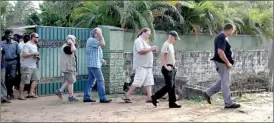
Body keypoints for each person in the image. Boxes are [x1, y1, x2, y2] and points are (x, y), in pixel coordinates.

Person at [203, 23, 241, 109]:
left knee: (223, 81)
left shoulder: (220, 36)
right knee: (225, 83)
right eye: (232, 31)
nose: (232, 33)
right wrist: (227, 62)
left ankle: (208, 93)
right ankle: (228, 103)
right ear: (229, 29)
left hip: (220, 63)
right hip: (222, 63)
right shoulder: (222, 37)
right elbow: (220, 52)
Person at [122, 28, 157, 103]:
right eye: (148, 34)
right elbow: (140, 51)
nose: (148, 36)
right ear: (143, 33)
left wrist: (151, 49)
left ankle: (149, 97)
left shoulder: (144, 42)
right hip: (141, 65)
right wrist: (151, 49)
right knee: (138, 81)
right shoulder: (138, 41)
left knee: (149, 82)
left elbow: (147, 51)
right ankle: (127, 95)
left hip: (147, 65)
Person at [151, 31, 181, 108]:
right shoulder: (166, 45)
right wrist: (165, 66)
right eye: (175, 38)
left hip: (172, 68)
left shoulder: (171, 45)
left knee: (172, 86)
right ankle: (155, 96)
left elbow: (171, 57)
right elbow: (162, 56)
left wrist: (174, 66)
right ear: (171, 37)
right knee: (169, 86)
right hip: (167, 68)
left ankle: (172, 103)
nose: (176, 40)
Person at [83, 28, 111, 103]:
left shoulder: (93, 41)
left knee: (90, 81)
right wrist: (102, 36)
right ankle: (102, 98)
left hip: (93, 64)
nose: (99, 35)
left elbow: (97, 54)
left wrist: (102, 60)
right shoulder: (92, 40)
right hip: (94, 65)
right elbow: (103, 44)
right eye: (99, 34)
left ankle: (86, 97)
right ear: (95, 34)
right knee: (100, 80)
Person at [55, 35, 79, 102]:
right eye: (73, 39)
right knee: (71, 81)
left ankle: (60, 91)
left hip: (69, 67)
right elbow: (74, 49)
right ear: (70, 40)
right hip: (68, 68)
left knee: (68, 81)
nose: (74, 41)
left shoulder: (67, 46)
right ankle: (71, 97)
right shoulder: (66, 47)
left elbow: (74, 47)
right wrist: (71, 43)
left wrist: (72, 43)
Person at [19, 33, 40, 100]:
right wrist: (34, 53)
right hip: (26, 66)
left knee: (36, 79)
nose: (38, 38)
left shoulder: (35, 45)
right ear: (33, 37)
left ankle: (31, 93)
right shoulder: (27, 45)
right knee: (24, 81)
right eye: (37, 37)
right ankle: (21, 95)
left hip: (34, 65)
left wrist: (37, 57)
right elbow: (24, 55)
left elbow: (33, 54)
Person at [1, 30, 20, 99]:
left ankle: (10, 90)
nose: (8, 36)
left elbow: (18, 55)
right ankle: (7, 92)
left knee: (12, 77)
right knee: (4, 78)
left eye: (9, 35)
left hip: (13, 62)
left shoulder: (15, 43)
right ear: (5, 35)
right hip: (4, 62)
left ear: (11, 36)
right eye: (7, 35)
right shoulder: (1, 43)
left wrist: (18, 65)